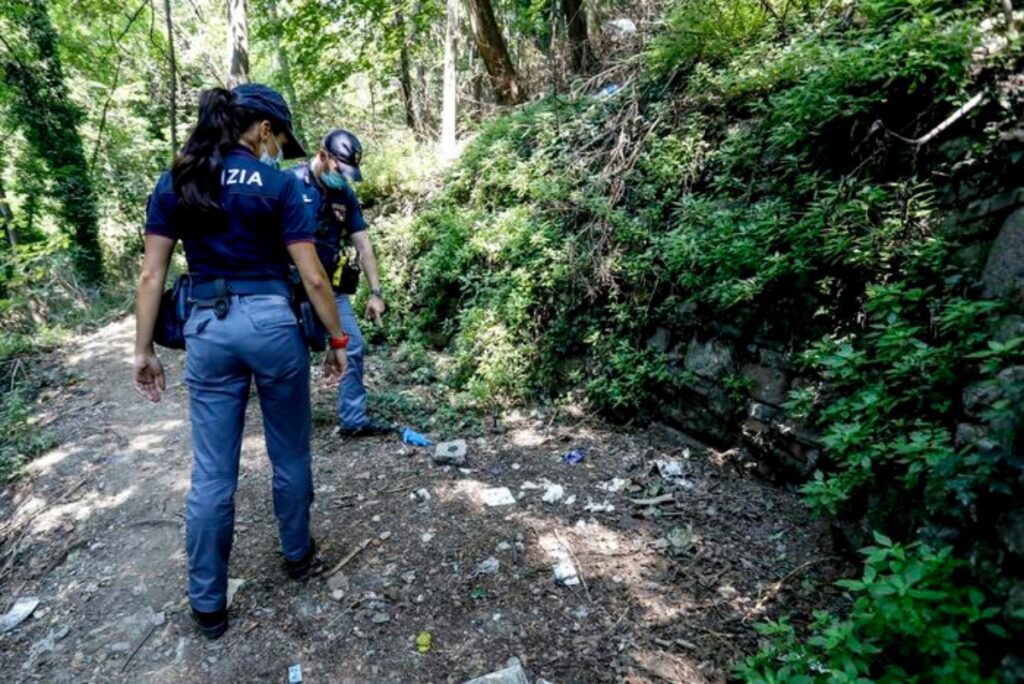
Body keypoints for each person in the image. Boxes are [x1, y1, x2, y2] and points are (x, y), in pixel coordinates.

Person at [132, 84, 352, 640]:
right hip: (273, 324)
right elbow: (314, 276)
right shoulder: (279, 185)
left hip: (208, 326)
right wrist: (336, 341)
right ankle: (298, 556)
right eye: (278, 136)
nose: (278, 146)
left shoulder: (179, 180)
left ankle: (208, 606)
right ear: (263, 131)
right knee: (289, 450)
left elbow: (152, 275)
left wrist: (143, 351)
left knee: (211, 471)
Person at [289, 129, 391, 437]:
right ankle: (291, 424)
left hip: (330, 289)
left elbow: (364, 246)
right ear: (323, 155)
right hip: (288, 289)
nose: (342, 176)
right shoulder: (290, 182)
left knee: (353, 344)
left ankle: (353, 419)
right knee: (291, 355)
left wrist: (376, 292)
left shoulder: (344, 194)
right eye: (339, 168)